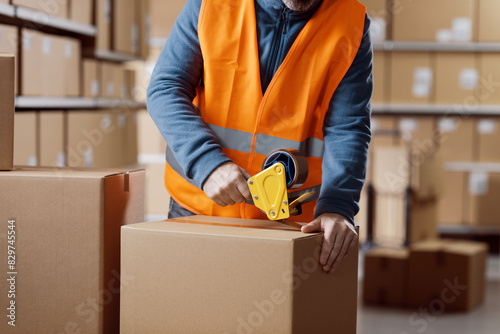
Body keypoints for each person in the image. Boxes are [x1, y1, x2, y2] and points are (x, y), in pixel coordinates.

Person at [148, 0, 373, 274]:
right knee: (183, 312)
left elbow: (348, 127)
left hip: (290, 223)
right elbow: (166, 88)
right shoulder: (210, 4)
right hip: (197, 207)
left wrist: (338, 206)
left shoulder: (351, 22)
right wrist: (207, 163)